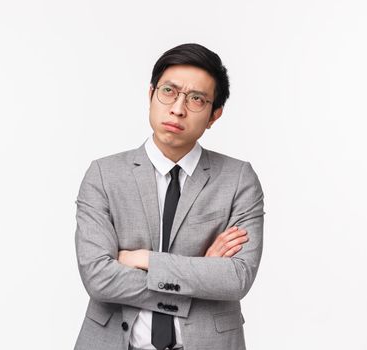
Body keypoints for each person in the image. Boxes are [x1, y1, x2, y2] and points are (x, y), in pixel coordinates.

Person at [74, 43, 265, 350]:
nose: (178, 108)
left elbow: (236, 279)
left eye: (196, 99)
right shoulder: (103, 175)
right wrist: (201, 271)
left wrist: (144, 260)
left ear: (214, 115)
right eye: (169, 92)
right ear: (151, 94)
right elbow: (99, 279)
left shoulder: (239, 179)